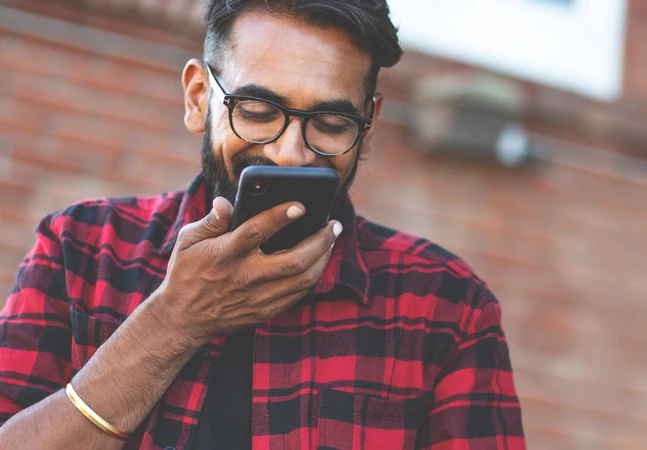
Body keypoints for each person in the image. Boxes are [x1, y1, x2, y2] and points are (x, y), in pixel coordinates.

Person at [0, 1, 525, 448]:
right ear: (198, 98)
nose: (289, 151)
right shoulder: (84, 248)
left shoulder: (447, 306)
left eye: (332, 123)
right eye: (256, 109)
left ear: (369, 127)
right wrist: (172, 321)